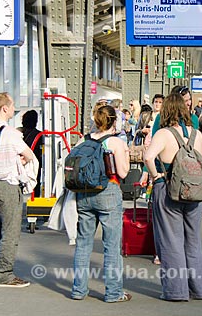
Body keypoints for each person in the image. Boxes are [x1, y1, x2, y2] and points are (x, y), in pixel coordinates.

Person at [144, 93, 202, 301]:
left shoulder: (163, 133)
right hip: (194, 192)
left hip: (169, 189)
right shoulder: (197, 134)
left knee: (171, 241)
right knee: (193, 241)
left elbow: (148, 156)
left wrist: (156, 176)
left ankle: (176, 291)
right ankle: (199, 289)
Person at [71, 105, 131, 303]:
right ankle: (113, 292)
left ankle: (79, 290)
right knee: (111, 246)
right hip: (108, 193)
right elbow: (122, 173)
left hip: (84, 194)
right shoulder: (115, 142)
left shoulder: (84, 140)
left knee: (83, 244)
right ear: (114, 121)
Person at [0, 92, 35, 288]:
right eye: (12, 105)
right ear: (5, 108)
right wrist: (19, 160)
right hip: (9, 185)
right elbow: (28, 155)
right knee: (10, 231)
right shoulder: (10, 133)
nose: (14, 109)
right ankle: (5, 275)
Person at [18, 110, 43, 197]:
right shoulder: (39, 135)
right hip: (35, 161)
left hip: (21, 161)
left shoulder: (19, 133)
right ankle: (35, 196)